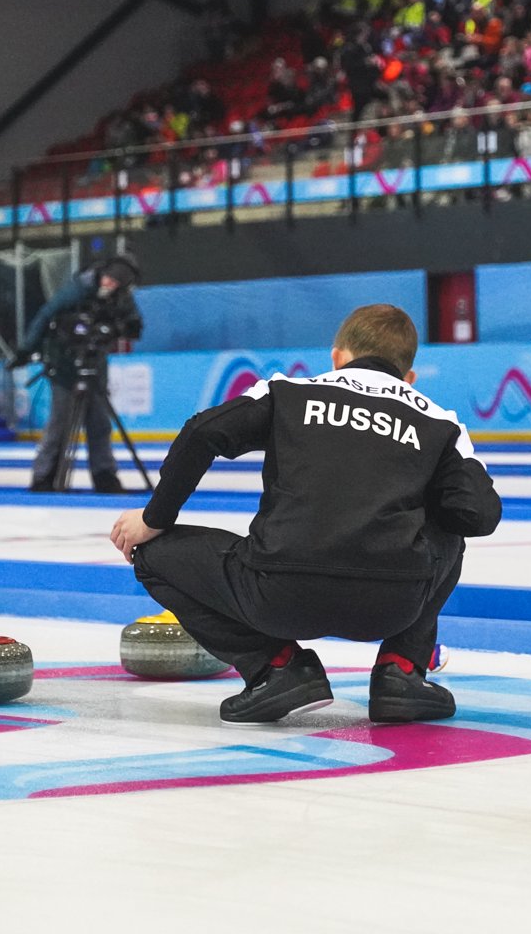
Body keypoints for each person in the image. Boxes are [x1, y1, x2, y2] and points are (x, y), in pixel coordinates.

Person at [111, 304, 500, 724]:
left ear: (336, 357)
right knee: (449, 526)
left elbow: (201, 433)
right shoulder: (439, 422)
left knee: (151, 553)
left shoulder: (287, 392)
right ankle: (401, 671)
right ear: (409, 378)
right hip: (389, 605)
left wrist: (154, 519)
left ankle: (276, 668)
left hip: (276, 593)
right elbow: (479, 515)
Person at [17, 253, 143, 493]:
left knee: (100, 423)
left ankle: (104, 475)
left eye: (115, 283)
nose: (109, 284)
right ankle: (44, 476)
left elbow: (134, 326)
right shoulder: (78, 289)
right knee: (60, 423)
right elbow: (46, 314)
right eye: (108, 279)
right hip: (63, 365)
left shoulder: (122, 299)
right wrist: (26, 349)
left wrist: (118, 327)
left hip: (95, 365)